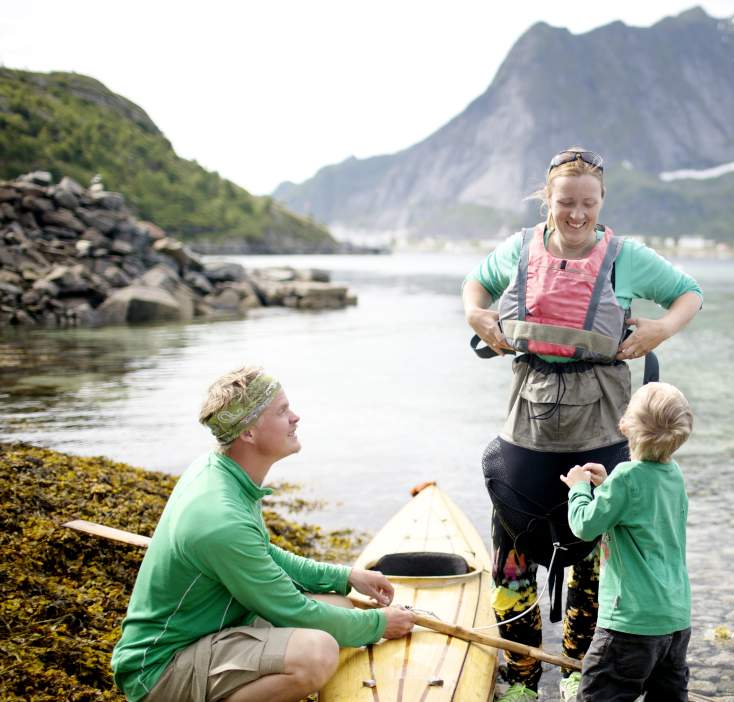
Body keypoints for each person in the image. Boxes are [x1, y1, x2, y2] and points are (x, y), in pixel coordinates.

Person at [462, 147, 702, 700]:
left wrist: (661, 329)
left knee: (595, 566)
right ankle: (522, 680)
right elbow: (474, 283)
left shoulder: (626, 257)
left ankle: (576, 673)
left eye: (588, 203)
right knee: (511, 561)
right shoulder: (518, 250)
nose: (576, 214)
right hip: (525, 430)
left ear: (602, 201)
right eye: (565, 202)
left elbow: (690, 294)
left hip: (600, 432)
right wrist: (476, 313)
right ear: (547, 199)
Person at [111, 367, 416, 702]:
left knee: (337, 603)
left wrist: (345, 576)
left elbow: (263, 554)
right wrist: (379, 624)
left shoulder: (220, 471)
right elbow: (292, 609)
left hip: (213, 630)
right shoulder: (220, 519)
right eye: (282, 411)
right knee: (316, 653)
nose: (296, 417)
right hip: (161, 668)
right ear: (248, 433)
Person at [561, 382, 694, 702]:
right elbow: (645, 516)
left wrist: (579, 489)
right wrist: (608, 488)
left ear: (624, 426)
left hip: (630, 623)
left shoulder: (625, 477)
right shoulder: (674, 475)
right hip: (675, 619)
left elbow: (584, 526)